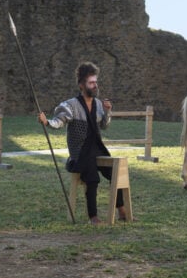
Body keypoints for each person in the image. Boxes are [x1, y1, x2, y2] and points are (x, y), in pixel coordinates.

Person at [38, 62, 130, 226]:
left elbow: (104, 126)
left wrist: (108, 111)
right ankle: (93, 217)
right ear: (82, 85)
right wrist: (47, 122)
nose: (95, 86)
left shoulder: (98, 105)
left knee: (117, 172)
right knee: (92, 178)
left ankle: (122, 212)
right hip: (80, 152)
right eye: (91, 83)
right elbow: (59, 122)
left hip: (97, 148)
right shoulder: (70, 105)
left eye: (96, 82)